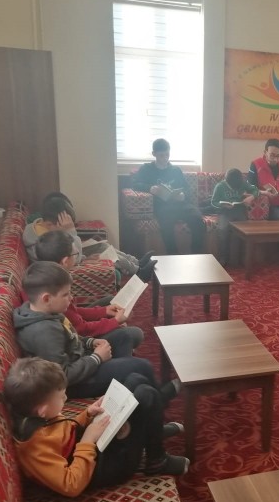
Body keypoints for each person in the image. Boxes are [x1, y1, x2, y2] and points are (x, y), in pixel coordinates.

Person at [4, 357, 188, 497]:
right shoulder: (34, 446)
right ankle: (157, 461)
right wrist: (88, 440)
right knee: (145, 394)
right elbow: (71, 485)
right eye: (61, 397)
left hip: (91, 450)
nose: (65, 399)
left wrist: (87, 414)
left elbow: (64, 430)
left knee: (135, 379)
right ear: (43, 411)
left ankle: (152, 431)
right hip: (104, 469)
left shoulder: (38, 415)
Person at [14, 261, 178, 400]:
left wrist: (90, 342)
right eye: (66, 295)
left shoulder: (45, 310)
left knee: (124, 336)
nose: (71, 298)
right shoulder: (43, 332)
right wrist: (97, 358)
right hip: (75, 384)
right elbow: (62, 376)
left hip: (82, 360)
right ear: (46, 298)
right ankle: (158, 398)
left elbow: (71, 336)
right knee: (142, 366)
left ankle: (128, 384)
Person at [35, 231, 144, 347]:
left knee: (110, 301)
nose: (77, 257)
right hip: (78, 339)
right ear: (65, 261)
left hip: (73, 325)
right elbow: (82, 330)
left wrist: (104, 311)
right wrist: (115, 322)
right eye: (76, 254)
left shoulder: (44, 275)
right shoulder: (56, 288)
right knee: (135, 334)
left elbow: (73, 311)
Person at [24, 195, 155, 281]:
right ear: (49, 224)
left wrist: (84, 257)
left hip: (70, 253)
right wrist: (70, 231)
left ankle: (136, 262)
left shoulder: (41, 226)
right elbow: (74, 256)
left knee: (103, 246)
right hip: (70, 258)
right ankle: (138, 272)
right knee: (103, 250)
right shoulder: (40, 242)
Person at [132, 138, 206, 255]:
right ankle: (173, 256)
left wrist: (183, 195)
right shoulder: (146, 169)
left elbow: (186, 188)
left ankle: (196, 254)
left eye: (167, 154)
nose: (165, 158)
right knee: (167, 225)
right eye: (161, 155)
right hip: (162, 206)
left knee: (197, 219)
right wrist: (150, 188)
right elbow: (135, 184)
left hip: (181, 205)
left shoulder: (175, 170)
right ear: (154, 154)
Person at [211, 168, 264, 266]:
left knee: (244, 232)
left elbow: (255, 190)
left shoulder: (243, 183)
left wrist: (251, 197)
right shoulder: (220, 186)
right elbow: (213, 202)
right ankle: (223, 258)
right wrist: (222, 205)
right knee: (222, 230)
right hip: (225, 212)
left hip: (239, 210)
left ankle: (241, 258)